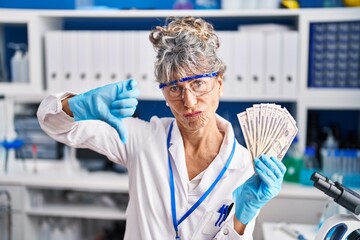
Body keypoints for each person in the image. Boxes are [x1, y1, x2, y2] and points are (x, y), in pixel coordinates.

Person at [37, 16, 286, 240]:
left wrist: (241, 221)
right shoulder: (142, 139)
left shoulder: (244, 165)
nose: (188, 102)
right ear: (164, 94)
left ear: (219, 83)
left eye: (198, 83)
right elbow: (53, 123)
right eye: (175, 88)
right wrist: (77, 106)